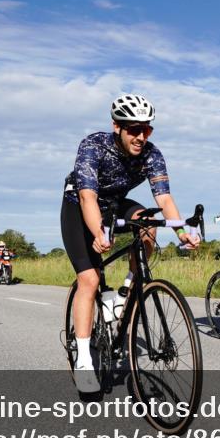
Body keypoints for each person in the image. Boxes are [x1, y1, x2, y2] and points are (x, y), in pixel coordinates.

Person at [61, 93, 200, 392]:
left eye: (146, 129)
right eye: (134, 129)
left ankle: (125, 292)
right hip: (79, 205)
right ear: (117, 127)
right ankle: (84, 359)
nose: (141, 136)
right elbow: (87, 197)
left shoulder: (152, 155)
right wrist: (98, 233)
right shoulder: (93, 146)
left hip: (115, 203)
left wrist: (181, 233)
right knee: (90, 279)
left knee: (148, 223)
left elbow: (164, 199)